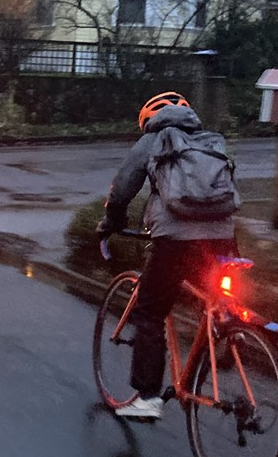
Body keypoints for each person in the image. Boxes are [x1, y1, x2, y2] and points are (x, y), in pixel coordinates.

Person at [98, 91, 238, 420]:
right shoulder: (212, 141)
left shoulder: (152, 141)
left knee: (150, 311)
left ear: (149, 120)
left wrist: (111, 222)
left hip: (174, 240)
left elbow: (123, 188)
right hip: (223, 238)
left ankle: (147, 398)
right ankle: (227, 342)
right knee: (215, 301)